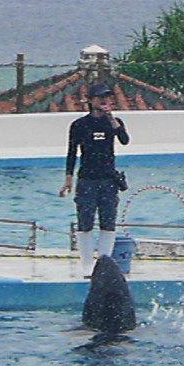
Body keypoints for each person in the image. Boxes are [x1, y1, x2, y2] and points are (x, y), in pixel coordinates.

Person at [60, 81, 130, 277]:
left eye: (107, 98)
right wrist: (68, 179)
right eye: (100, 98)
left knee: (108, 221)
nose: (104, 101)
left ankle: (105, 263)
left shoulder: (114, 122)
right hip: (87, 179)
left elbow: (124, 140)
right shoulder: (80, 125)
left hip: (108, 179)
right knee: (85, 221)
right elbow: (72, 153)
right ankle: (87, 265)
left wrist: (112, 120)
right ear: (90, 101)